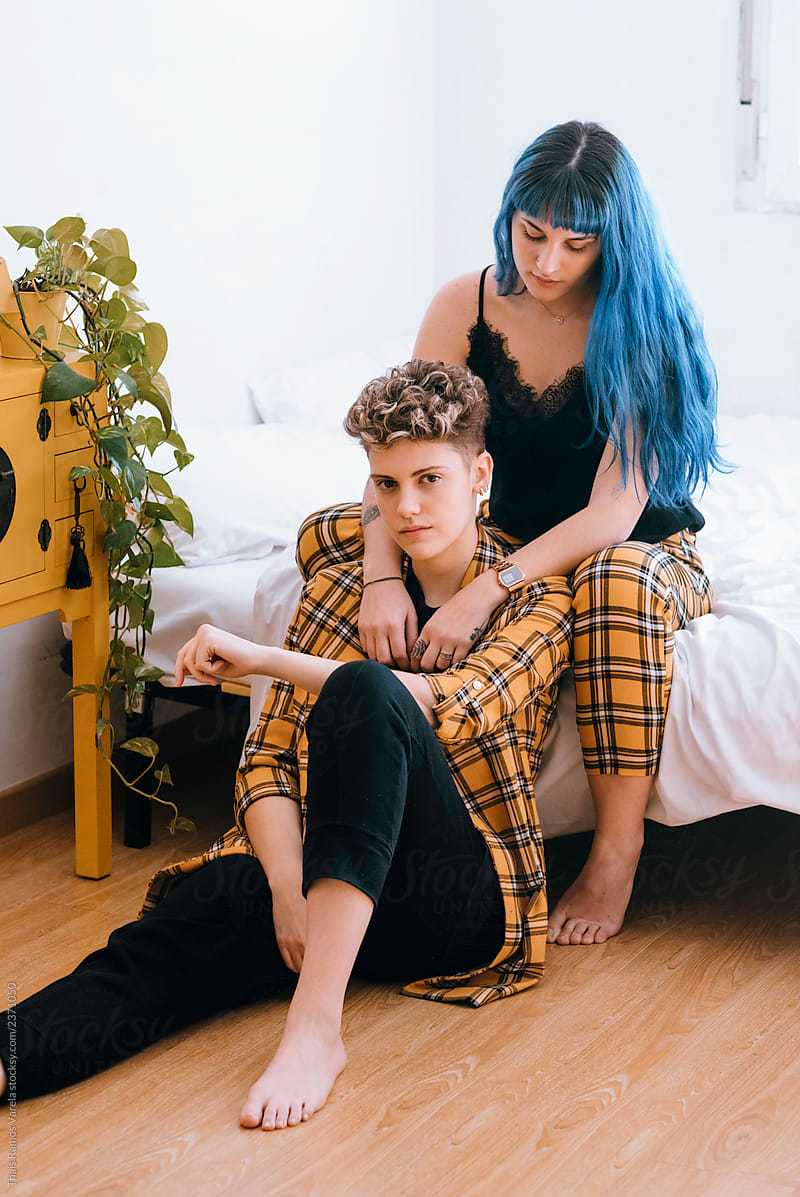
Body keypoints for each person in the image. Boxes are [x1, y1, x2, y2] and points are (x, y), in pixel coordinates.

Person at [0, 360, 573, 1129]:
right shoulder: (342, 586)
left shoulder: (537, 596)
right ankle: (11, 1055)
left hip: (451, 901)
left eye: (429, 480)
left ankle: (315, 1026)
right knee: (184, 923)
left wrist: (265, 659)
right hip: (324, 886)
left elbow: (455, 707)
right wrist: (282, 887)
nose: (407, 506)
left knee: (364, 688)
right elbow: (266, 759)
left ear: (480, 475)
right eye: (387, 484)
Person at [297, 120, 723, 948]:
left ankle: (615, 852)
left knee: (614, 585)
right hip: (498, 538)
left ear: (615, 238)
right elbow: (402, 452)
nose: (549, 262)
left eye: (576, 242)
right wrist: (385, 578)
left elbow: (612, 513)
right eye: (533, 234)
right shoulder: (467, 305)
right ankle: (347, 794)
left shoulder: (643, 324)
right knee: (329, 537)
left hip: (629, 547)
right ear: (511, 215)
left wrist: (486, 590)